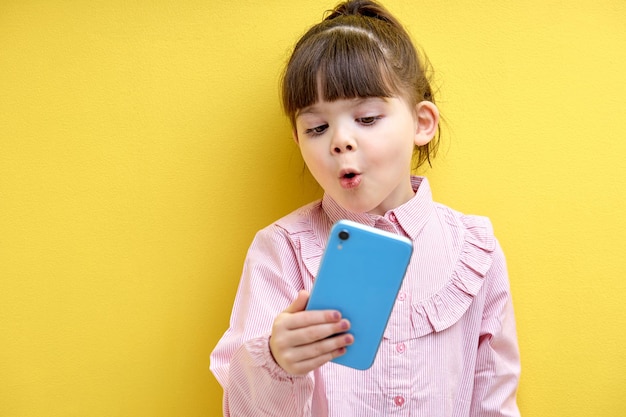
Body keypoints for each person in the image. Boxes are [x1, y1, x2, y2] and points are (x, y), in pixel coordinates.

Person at [210, 0, 521, 415]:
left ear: (422, 122)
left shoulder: (475, 250)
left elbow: (493, 401)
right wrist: (275, 361)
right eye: (316, 127)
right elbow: (242, 408)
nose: (340, 140)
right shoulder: (280, 250)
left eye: (368, 118)